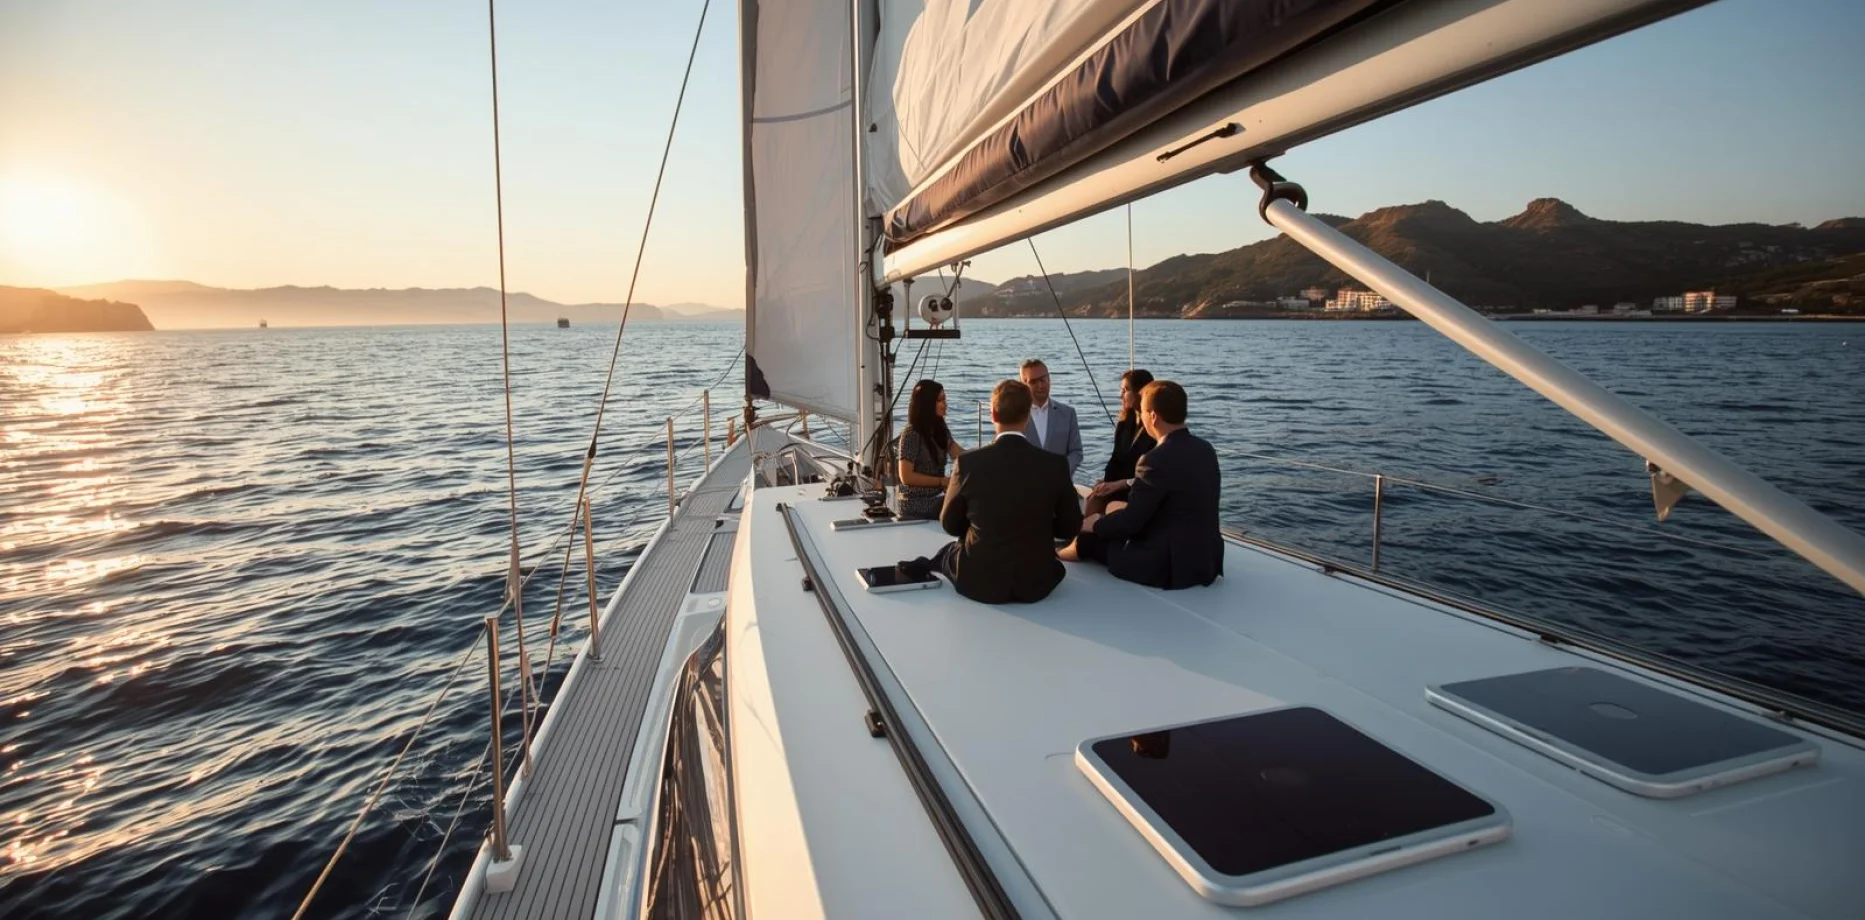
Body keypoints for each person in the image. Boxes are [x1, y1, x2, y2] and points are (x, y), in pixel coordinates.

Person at [931, 379, 1083, 604]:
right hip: (1037, 581)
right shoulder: (1056, 465)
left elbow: (950, 524)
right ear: (1028, 415)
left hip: (979, 580)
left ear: (992, 414)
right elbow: (1069, 526)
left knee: (948, 553)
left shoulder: (967, 463)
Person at [1060, 380, 1223, 590]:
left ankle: (1058, 554)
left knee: (1088, 540)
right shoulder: (1206, 449)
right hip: (1205, 562)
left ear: (1153, 416)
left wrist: (1094, 524)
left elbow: (1131, 523)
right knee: (1112, 512)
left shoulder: (1154, 459)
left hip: (1167, 567)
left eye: (1143, 412)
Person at [1086, 368, 1157, 517]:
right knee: (1093, 499)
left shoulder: (1154, 429)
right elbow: (1115, 460)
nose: (1121, 395)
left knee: (1109, 506)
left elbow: (1153, 475)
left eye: (1126, 390)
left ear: (1141, 392)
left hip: (1140, 490)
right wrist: (1104, 483)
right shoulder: (1124, 423)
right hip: (1118, 487)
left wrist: (1118, 485)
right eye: (1121, 390)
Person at [895, 379, 964, 519]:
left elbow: (959, 453)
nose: (945, 404)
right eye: (940, 400)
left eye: (945, 399)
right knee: (963, 505)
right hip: (915, 501)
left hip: (937, 496)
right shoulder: (911, 434)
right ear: (927, 404)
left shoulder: (940, 429)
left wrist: (987, 456)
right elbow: (906, 477)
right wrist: (941, 481)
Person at [1018, 359, 1083, 479]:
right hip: (1025, 487)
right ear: (1023, 384)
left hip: (1060, 487)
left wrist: (1061, 472)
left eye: (1043, 379)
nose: (1040, 385)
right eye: (1033, 382)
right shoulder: (1015, 415)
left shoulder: (1068, 414)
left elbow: (1076, 451)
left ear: (1049, 379)